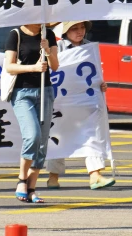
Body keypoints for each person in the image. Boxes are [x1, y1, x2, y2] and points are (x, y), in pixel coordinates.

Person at [45, 21, 114, 190]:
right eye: (74, 28)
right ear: (66, 31)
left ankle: (95, 174)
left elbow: (96, 72)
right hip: (62, 101)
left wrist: (101, 84)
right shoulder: (58, 46)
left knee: (93, 134)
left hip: (87, 101)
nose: (79, 31)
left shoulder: (90, 47)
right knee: (58, 136)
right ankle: (53, 176)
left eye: (82, 28)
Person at [5, 22, 60, 204]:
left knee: (42, 143)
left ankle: (31, 189)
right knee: (32, 135)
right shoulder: (16, 34)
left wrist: (48, 50)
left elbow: (55, 66)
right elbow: (9, 66)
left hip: (45, 92)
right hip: (22, 93)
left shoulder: (48, 34)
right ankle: (22, 179)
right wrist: (33, 68)